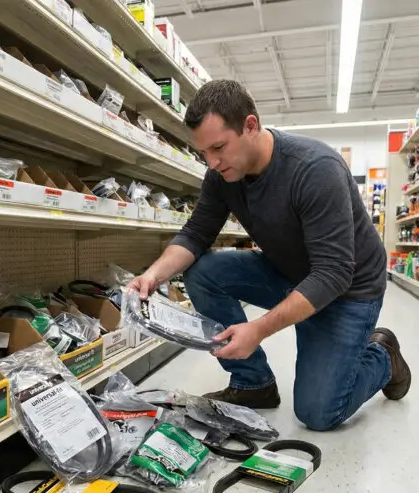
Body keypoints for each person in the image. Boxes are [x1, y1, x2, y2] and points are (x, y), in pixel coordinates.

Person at [127, 79, 409, 431]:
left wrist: (258, 329)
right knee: (203, 271)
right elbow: (196, 234)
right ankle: (253, 384)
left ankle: (383, 355)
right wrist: (153, 275)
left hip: (348, 290)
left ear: (250, 125)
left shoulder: (315, 169)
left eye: (219, 148)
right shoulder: (221, 175)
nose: (212, 163)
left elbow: (333, 273)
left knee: (318, 413)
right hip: (290, 273)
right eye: (204, 153)